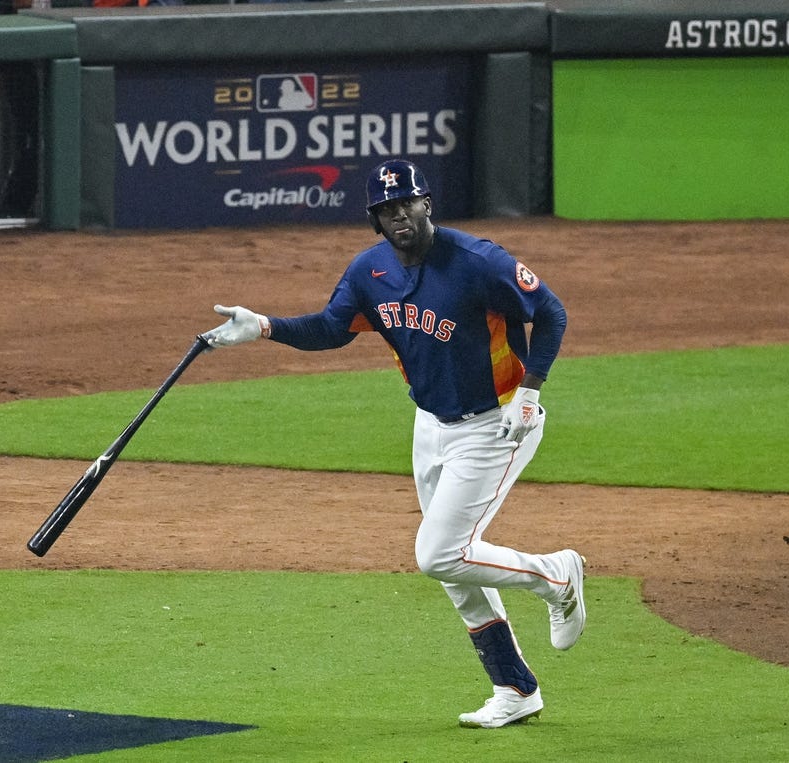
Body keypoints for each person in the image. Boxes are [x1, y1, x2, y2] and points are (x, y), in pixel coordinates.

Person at [203, 158, 585, 729]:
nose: (397, 214)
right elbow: (332, 329)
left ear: (426, 203)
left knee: (438, 554)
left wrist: (530, 393)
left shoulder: (480, 262)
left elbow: (551, 312)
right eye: (385, 209)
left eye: (405, 202)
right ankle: (515, 688)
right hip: (429, 426)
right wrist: (264, 326)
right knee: (455, 569)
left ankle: (557, 576)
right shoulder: (369, 271)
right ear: (375, 220)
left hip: (498, 422)